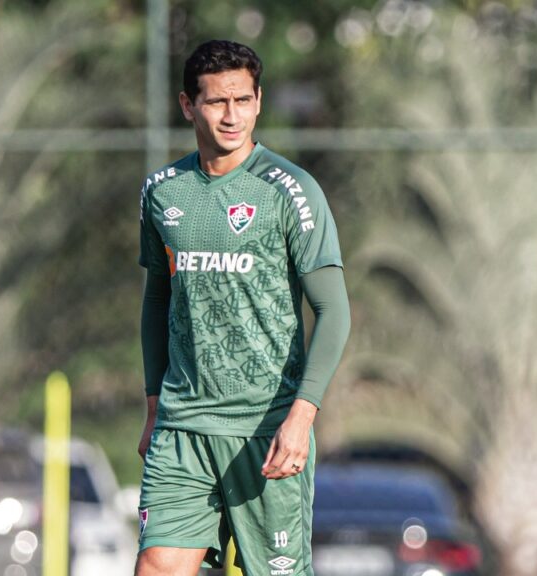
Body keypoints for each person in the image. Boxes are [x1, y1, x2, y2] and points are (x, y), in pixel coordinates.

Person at [135, 40, 351, 576]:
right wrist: (153, 407)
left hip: (267, 429)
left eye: (243, 100)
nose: (231, 116)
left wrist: (302, 418)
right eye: (216, 102)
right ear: (188, 106)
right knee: (158, 566)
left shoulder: (291, 191)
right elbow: (158, 300)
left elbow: (334, 311)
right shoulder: (163, 192)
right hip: (183, 429)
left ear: (259, 101)